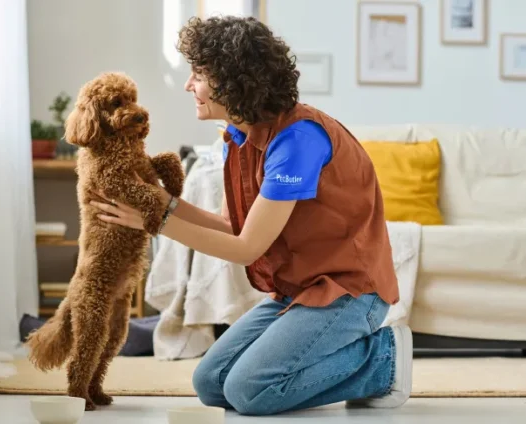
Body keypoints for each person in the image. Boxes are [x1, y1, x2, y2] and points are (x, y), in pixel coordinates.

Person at [90, 15, 412, 416]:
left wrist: (156, 223)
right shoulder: (236, 138)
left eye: (199, 75)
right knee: (210, 383)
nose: (190, 85)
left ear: (232, 79)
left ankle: (385, 358)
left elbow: (246, 248)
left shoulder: (298, 139)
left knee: (249, 391)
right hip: (298, 291)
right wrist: (157, 201)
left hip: (348, 291)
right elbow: (231, 226)